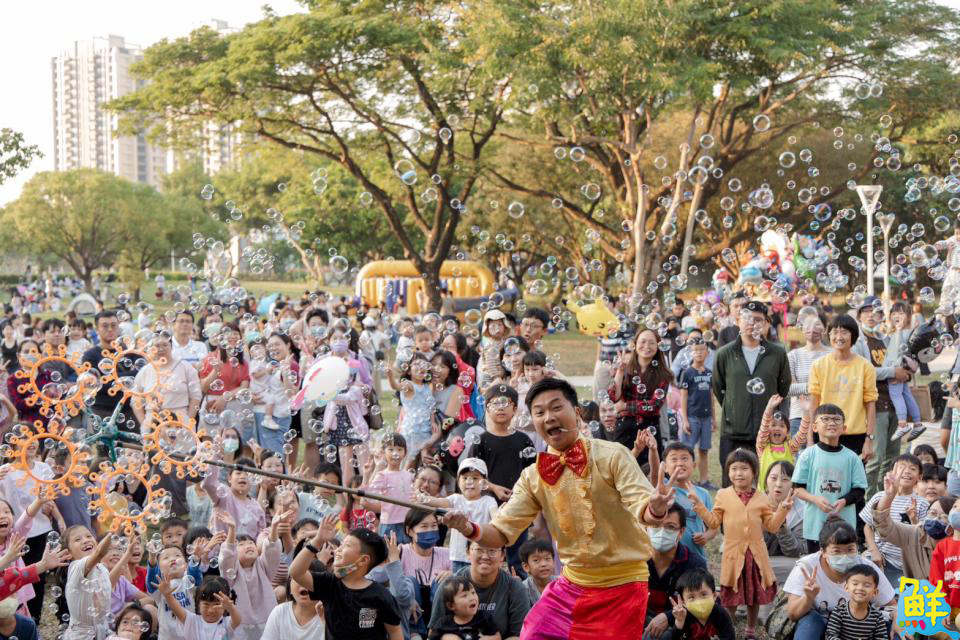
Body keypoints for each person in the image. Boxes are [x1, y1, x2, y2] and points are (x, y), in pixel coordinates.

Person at [442, 377, 677, 639]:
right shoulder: (534, 475)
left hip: (622, 585)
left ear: (576, 413)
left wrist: (655, 508)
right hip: (572, 582)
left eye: (556, 408)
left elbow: (643, 507)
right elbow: (501, 532)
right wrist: (467, 527)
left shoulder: (613, 455)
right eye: (539, 412)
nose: (549, 417)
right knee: (533, 633)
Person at [686, 448, 791, 638]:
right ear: (728, 472)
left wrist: (782, 510)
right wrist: (698, 505)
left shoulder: (762, 498)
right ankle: (726, 629)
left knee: (754, 596)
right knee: (730, 598)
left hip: (756, 556)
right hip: (733, 555)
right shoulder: (723, 495)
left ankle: (750, 630)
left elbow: (772, 526)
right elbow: (713, 522)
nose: (739, 473)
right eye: (734, 469)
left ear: (754, 472)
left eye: (744, 468)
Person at [712, 300, 791, 485]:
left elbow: (783, 388)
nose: (752, 323)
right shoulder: (725, 353)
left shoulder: (777, 354)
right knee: (733, 486)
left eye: (758, 319)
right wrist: (736, 406)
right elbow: (719, 388)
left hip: (767, 433)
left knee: (766, 486)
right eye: (746, 318)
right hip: (733, 432)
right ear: (738, 320)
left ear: (766, 324)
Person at [289, 521, 404, 640]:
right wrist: (318, 540)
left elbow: (395, 631)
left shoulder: (381, 595)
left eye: (347, 545)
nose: (338, 550)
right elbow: (295, 572)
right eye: (341, 544)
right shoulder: (329, 583)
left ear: (363, 560)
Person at [782, 518, 895, 639]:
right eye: (836, 551)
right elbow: (793, 614)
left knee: (899, 629)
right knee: (811, 620)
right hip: (820, 626)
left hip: (857, 628)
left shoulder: (866, 569)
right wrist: (808, 597)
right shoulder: (807, 567)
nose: (844, 556)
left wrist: (897, 618)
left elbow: (892, 605)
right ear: (823, 552)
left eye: (850, 549)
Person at [852, 300, 910, 495]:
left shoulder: (884, 339)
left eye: (875, 312)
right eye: (865, 311)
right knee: (875, 458)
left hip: (894, 403)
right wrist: (893, 371)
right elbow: (865, 370)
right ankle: (867, 502)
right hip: (875, 406)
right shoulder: (858, 342)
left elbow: (900, 356)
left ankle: (885, 500)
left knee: (893, 457)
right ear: (859, 316)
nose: (870, 315)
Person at [792, 404, 867, 552]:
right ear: (814, 427)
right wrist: (815, 499)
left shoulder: (852, 457)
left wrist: (844, 501)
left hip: (844, 526)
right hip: (815, 526)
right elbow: (797, 488)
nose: (831, 423)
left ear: (844, 428)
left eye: (836, 420)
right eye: (825, 419)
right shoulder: (808, 455)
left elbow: (859, 490)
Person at [426, 541, 530, 638]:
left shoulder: (515, 588)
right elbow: (433, 632)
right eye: (479, 550)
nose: (485, 556)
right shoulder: (449, 586)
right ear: (468, 552)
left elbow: (520, 636)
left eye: (492, 551)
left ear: (502, 555)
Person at [811, 313, 877, 459]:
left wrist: (869, 439)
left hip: (855, 436)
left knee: (853, 481)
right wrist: (810, 438)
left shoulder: (865, 367)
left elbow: (870, 404)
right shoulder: (819, 366)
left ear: (853, 336)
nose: (839, 337)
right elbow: (813, 405)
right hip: (824, 434)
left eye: (844, 332)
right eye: (834, 332)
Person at [871, 467, 952, 580]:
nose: (936, 519)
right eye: (932, 513)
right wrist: (889, 496)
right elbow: (883, 526)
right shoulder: (915, 534)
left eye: (944, 517)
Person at [859, 453, 927, 586]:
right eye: (902, 467)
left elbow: (922, 537)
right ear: (891, 472)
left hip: (902, 564)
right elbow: (868, 526)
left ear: (919, 477)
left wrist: (913, 519)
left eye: (912, 469)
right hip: (879, 556)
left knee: (899, 598)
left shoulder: (922, 503)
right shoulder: (880, 496)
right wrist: (874, 550)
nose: (906, 471)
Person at [642, 504, 707, 640]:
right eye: (656, 525)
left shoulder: (694, 564)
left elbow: (701, 603)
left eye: (670, 527)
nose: (661, 532)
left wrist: (669, 617)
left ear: (681, 532)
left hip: (679, 625)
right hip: (639, 619)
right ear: (646, 527)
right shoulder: (635, 560)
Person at [611, 328, 674, 459]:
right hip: (624, 429)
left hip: (649, 431)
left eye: (652, 343)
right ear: (635, 344)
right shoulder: (625, 369)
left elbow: (653, 406)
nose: (647, 346)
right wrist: (620, 372)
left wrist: (625, 406)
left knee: (647, 473)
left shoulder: (664, 375)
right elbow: (613, 397)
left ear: (658, 346)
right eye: (643, 342)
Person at [131, 332, 202, 429]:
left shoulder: (185, 367)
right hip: (152, 422)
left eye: (165, 345)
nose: (161, 349)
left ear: (171, 346)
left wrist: (188, 421)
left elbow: (196, 396)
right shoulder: (145, 370)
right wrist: (144, 423)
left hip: (180, 422)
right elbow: (135, 400)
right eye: (157, 345)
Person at [885, 301, 925, 442]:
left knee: (896, 395)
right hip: (902, 369)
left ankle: (902, 424)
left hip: (896, 369)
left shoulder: (903, 332)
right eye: (895, 313)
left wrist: (898, 330)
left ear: (908, 317)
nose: (898, 316)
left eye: (902, 313)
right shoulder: (901, 332)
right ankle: (918, 423)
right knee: (906, 395)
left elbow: (898, 351)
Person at [677, 339, 714, 488]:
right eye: (695, 350)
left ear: (707, 353)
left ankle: (704, 480)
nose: (699, 353)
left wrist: (713, 419)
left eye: (702, 350)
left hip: (706, 418)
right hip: (692, 417)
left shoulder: (710, 373)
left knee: (704, 449)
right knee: (687, 451)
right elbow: (683, 397)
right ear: (691, 353)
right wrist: (685, 419)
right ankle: (685, 481)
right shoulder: (687, 373)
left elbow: (711, 396)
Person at [786, 313, 830, 436]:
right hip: (799, 417)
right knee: (801, 455)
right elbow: (788, 389)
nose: (812, 328)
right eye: (808, 324)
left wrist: (802, 388)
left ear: (825, 329)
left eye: (817, 324)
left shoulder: (833, 355)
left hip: (828, 416)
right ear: (802, 328)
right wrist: (814, 386)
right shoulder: (793, 355)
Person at [756, 393, 809, 492]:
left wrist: (806, 412)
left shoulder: (790, 447)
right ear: (768, 428)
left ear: (787, 432)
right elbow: (763, 427)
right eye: (773, 425)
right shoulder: (762, 446)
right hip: (765, 494)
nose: (777, 428)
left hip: (786, 493)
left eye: (781, 426)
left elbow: (802, 433)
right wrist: (769, 408)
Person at [662, 568, 735, 640]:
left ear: (714, 596)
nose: (699, 601)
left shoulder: (720, 614)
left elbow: (729, 637)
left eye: (703, 594)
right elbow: (675, 637)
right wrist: (679, 623)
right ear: (684, 602)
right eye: (691, 597)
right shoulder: (682, 615)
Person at [823, 564, 888, 640]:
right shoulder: (839, 612)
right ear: (846, 587)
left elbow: (882, 638)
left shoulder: (877, 617)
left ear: (875, 592)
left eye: (867, 585)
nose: (860, 588)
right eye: (855, 584)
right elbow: (830, 635)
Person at [260, 574, 326, 640]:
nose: (304, 583)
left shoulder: (330, 614)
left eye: (310, 579)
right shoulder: (280, 612)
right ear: (290, 587)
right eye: (299, 579)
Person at [762, 461, 805, 557]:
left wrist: (781, 525)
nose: (778, 484)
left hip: (786, 562)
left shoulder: (801, 511)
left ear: (793, 486)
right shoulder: (756, 503)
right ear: (766, 481)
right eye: (773, 478)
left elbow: (796, 551)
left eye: (785, 480)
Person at [519, 538, 556, 605]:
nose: (543, 564)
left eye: (547, 559)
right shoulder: (522, 589)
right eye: (536, 560)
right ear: (526, 566)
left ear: (554, 562)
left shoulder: (561, 584)